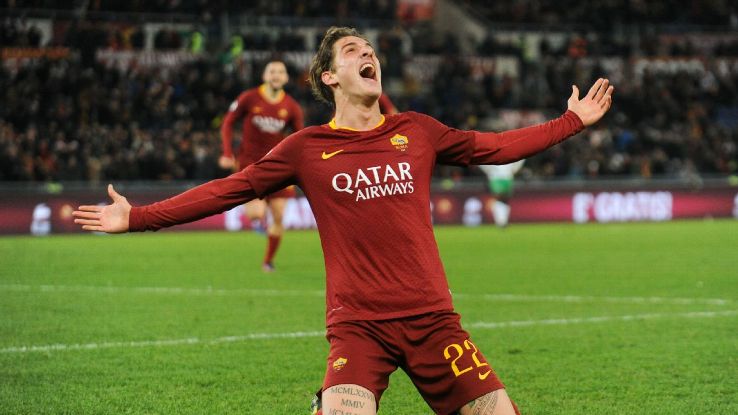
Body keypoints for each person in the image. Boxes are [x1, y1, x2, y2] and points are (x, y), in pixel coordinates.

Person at [73, 26, 613, 415]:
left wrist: (571, 122)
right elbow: (228, 191)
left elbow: (495, 147)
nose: (368, 54)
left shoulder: (418, 130)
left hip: (433, 322)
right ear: (330, 76)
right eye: (354, 51)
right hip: (360, 329)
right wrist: (139, 217)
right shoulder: (306, 148)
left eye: (371, 50)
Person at [219, 60, 304, 272]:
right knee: (256, 214)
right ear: (265, 76)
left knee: (278, 217)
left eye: (281, 72)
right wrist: (228, 153)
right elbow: (228, 122)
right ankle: (258, 222)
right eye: (272, 71)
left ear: (285, 78)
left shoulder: (291, 107)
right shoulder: (249, 98)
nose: (276, 75)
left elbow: (300, 138)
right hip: (250, 165)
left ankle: (268, 261)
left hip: (278, 168)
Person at [478, 160, 525, 227]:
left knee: (505, 200)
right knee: (498, 198)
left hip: (506, 177)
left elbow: (517, 162)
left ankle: (503, 221)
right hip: (497, 178)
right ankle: (500, 221)